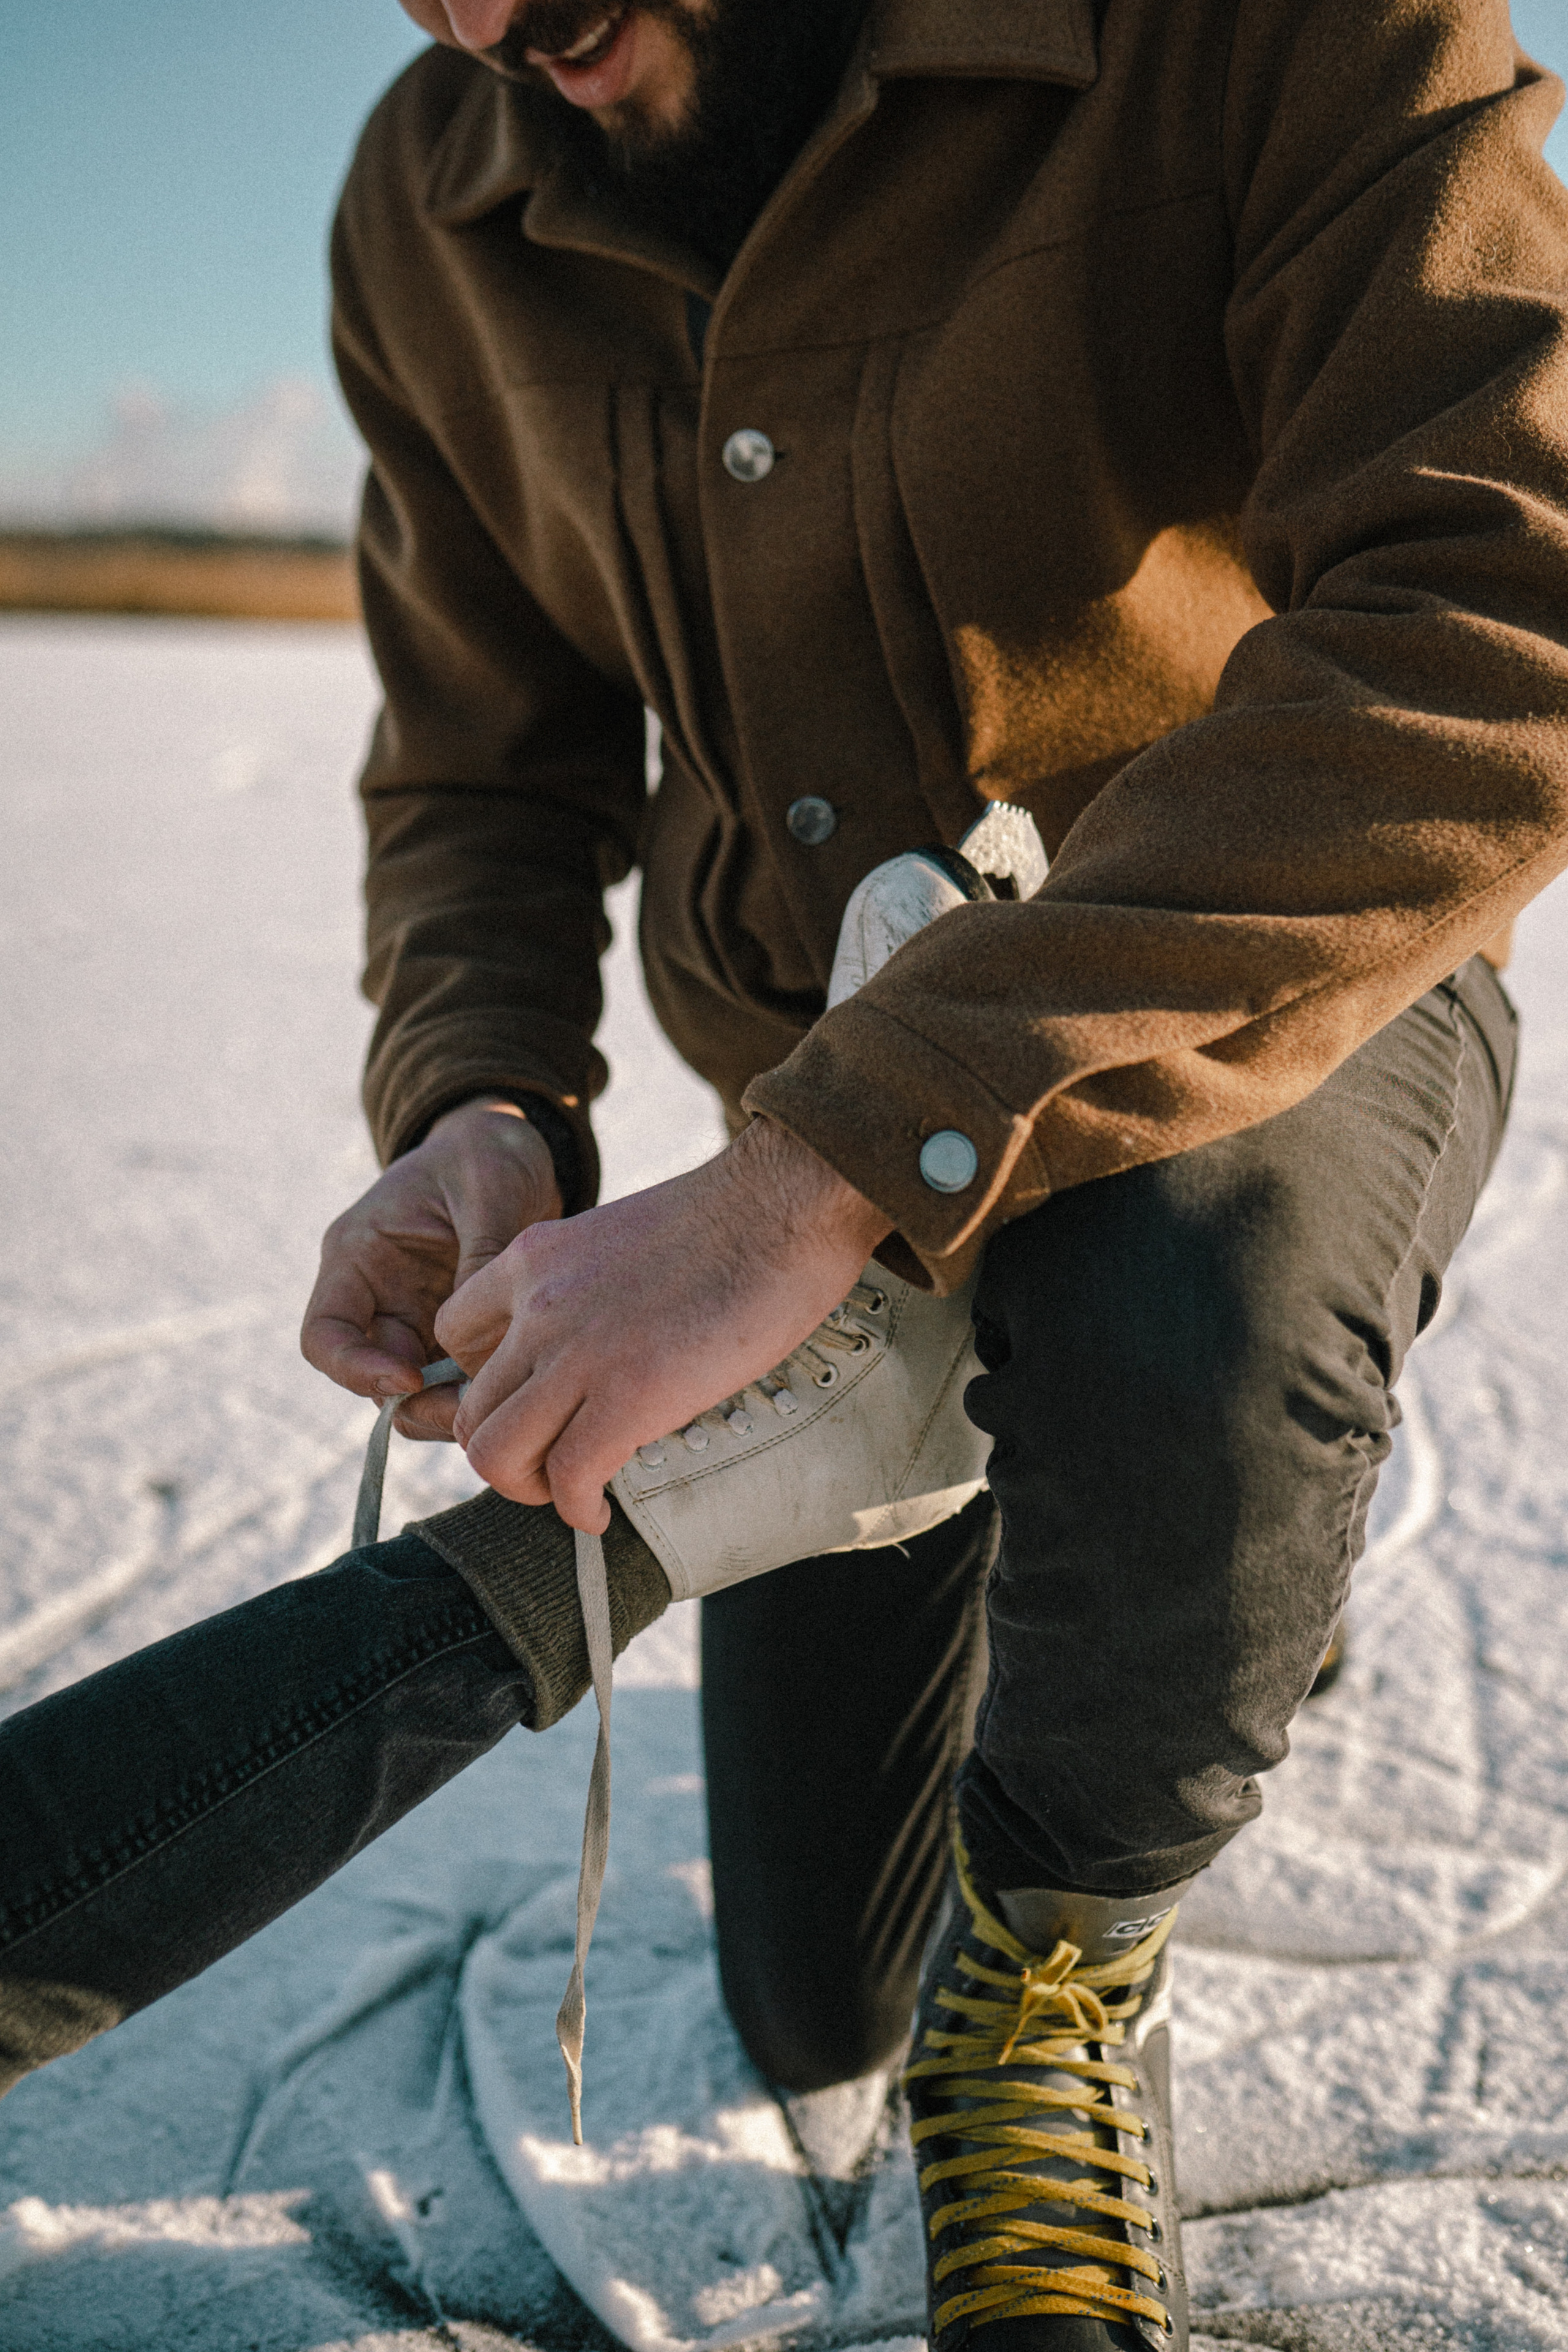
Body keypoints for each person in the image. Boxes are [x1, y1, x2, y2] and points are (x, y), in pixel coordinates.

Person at [2, 4, 1565, 2347]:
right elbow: (483, 768)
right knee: (809, 1995)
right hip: (801, 1143)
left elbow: (1505, 610)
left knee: (1188, 1326)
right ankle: (1053, 1475)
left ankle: (1073, 1934)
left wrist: (825, 1172)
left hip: (1266, 1002)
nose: (473, 22)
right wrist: (486, 1100)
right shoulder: (434, 195)